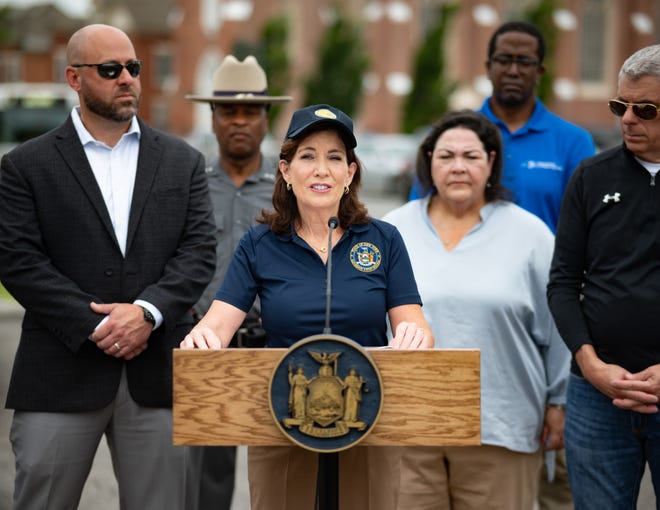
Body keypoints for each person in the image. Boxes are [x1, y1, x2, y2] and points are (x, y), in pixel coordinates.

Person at [0, 24, 216, 510]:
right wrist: (97, 323)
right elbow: (18, 261)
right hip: (59, 371)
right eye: (111, 69)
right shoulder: (25, 165)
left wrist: (147, 313)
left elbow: (199, 250)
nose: (128, 79)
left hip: (157, 374)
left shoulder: (182, 160)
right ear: (75, 79)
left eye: (133, 68)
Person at [180, 103, 433, 510]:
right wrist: (203, 338)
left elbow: (415, 326)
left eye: (335, 158)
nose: (321, 169)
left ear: (350, 173)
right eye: (308, 156)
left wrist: (414, 335)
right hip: (281, 414)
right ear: (285, 171)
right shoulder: (259, 243)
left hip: (367, 416)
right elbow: (217, 325)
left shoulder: (384, 239)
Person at [384, 110, 570, 509]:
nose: (458, 167)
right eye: (446, 156)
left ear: (491, 163)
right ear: (428, 162)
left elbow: (558, 327)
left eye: (471, 156)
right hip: (410, 426)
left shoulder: (531, 235)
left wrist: (559, 403)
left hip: (501, 426)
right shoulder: (391, 230)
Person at [547, 44, 660, 509]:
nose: (628, 119)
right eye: (620, 106)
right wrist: (591, 366)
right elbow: (562, 282)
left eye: (646, 109)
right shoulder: (591, 177)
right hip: (597, 397)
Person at [184, 54, 291, 510]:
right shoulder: (187, 183)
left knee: (285, 469)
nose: (240, 122)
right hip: (207, 348)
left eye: (252, 112)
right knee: (205, 477)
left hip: (277, 343)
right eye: (229, 112)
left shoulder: (291, 186)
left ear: (267, 119)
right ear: (213, 118)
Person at [409, 21, 595, 235]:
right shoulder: (453, 137)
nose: (513, 71)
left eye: (524, 62)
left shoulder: (573, 142)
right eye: (504, 60)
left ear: (540, 71)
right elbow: (418, 215)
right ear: (488, 68)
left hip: (544, 267)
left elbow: (585, 224)